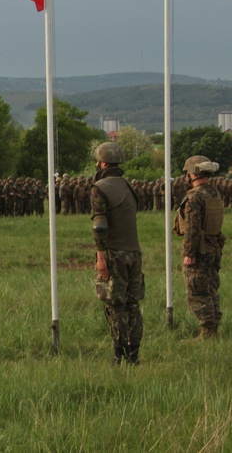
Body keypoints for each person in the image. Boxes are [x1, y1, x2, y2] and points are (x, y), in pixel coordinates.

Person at [89, 142, 144, 365]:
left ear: (102, 162)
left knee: (115, 305)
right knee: (133, 305)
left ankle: (118, 355)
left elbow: (100, 225)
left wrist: (101, 255)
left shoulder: (100, 187)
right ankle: (134, 356)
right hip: (134, 252)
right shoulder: (127, 185)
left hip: (114, 252)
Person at [174, 155, 226, 340]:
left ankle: (207, 333)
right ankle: (213, 329)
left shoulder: (195, 197)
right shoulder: (214, 193)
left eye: (187, 172)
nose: (186, 176)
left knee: (197, 291)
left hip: (200, 251)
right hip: (214, 248)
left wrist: (189, 253)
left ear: (194, 173)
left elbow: (192, 228)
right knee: (211, 290)